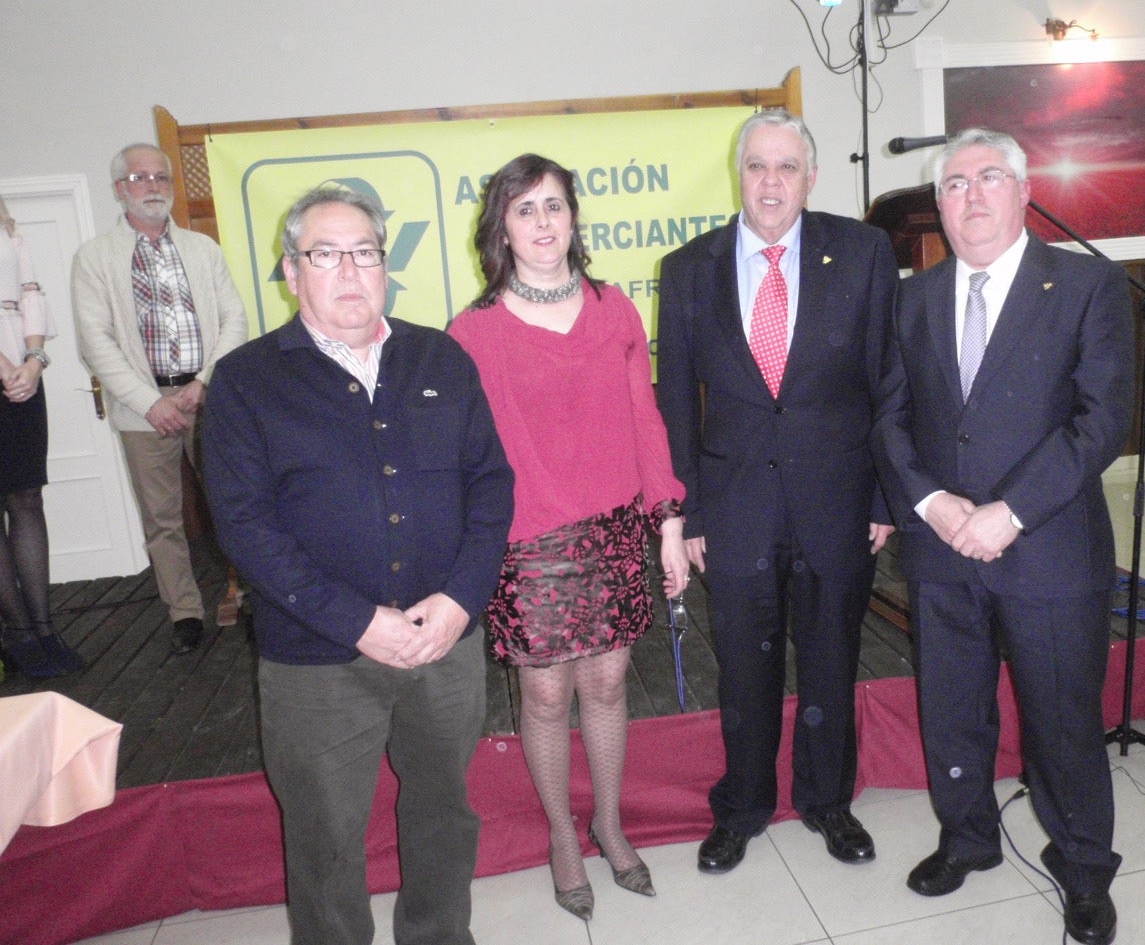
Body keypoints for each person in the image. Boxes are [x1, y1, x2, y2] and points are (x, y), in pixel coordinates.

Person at [202, 187, 513, 945]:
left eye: (365, 252)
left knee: (444, 813)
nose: (348, 271)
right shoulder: (245, 381)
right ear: (290, 270)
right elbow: (244, 526)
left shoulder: (440, 355)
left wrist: (461, 600)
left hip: (445, 644)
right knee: (324, 836)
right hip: (317, 660)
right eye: (325, 254)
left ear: (386, 264)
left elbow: (491, 483)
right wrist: (357, 621)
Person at [871, 127, 1133, 945]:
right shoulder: (912, 300)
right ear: (939, 206)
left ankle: (1085, 866)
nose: (971, 195)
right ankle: (969, 837)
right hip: (942, 551)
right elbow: (891, 418)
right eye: (954, 184)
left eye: (989, 178)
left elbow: (1102, 422)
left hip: (1049, 547)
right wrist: (930, 504)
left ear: (1024, 192)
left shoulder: (1088, 286)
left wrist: (1007, 512)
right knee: (952, 708)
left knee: (1062, 719)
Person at [656, 110, 898, 874]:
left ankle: (828, 803)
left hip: (840, 501)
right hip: (733, 510)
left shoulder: (862, 252)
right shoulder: (689, 267)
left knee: (832, 658)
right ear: (740, 173)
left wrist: (886, 501)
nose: (770, 182)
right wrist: (689, 508)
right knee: (745, 667)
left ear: (811, 177)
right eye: (757, 166)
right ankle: (744, 807)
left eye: (786, 167)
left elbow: (891, 383)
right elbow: (674, 402)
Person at [448, 153, 687, 922]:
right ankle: (560, 835)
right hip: (526, 543)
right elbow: (468, 457)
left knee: (610, 684)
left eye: (554, 205)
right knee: (547, 694)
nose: (543, 222)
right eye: (525, 210)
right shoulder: (472, 331)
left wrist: (670, 520)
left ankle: (610, 825)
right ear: (502, 229)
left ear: (574, 217)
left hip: (614, 526)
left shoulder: (615, 308)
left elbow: (646, 420)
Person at [70, 143, 247, 654]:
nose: (152, 186)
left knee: (236, 503)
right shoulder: (94, 258)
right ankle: (184, 612)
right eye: (139, 177)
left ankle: (252, 596)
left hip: (207, 396)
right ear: (120, 189)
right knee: (162, 519)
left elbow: (234, 319)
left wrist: (205, 383)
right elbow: (94, 341)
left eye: (160, 177)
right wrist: (151, 402)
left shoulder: (202, 249)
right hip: (140, 407)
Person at [0, 196, 83, 678]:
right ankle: (18, 633)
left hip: (25, 375)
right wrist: (7, 367)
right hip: (10, 368)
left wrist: (34, 362)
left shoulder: (9, 228)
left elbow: (31, 295)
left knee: (27, 498)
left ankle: (44, 626)